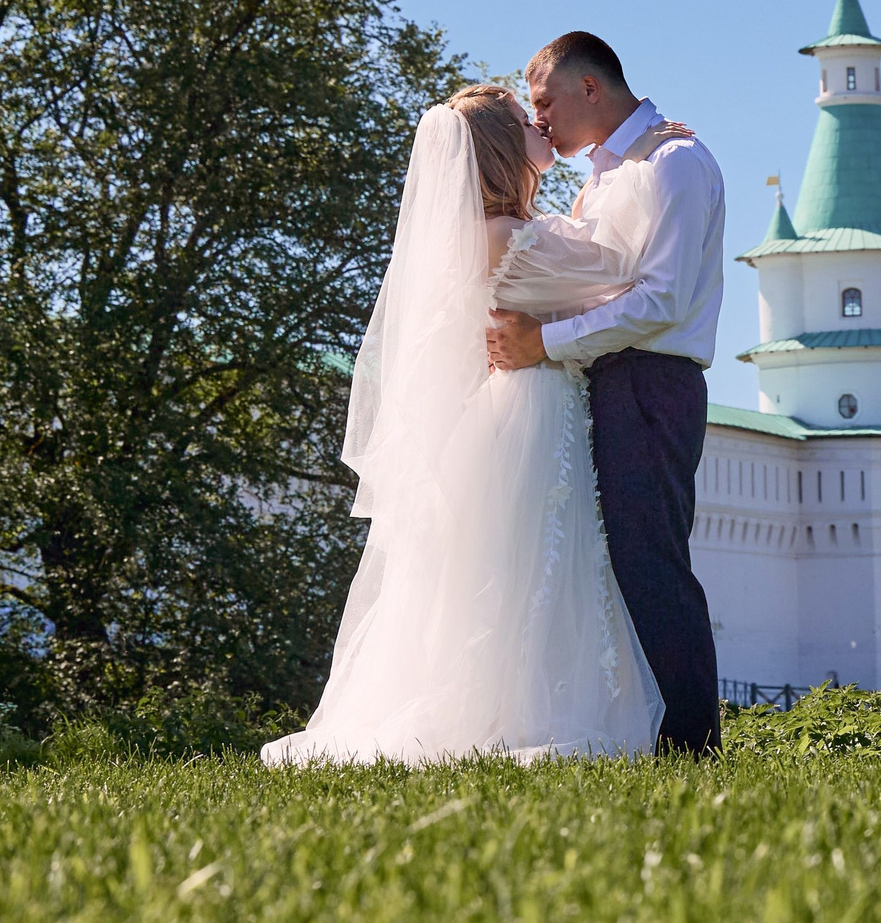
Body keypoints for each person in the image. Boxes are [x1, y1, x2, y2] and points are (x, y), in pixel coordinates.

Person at [263, 84, 666, 764]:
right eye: (523, 120)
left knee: (511, 568)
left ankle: (512, 707)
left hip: (506, 410)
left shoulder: (485, 234)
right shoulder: (507, 238)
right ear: (503, 149)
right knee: (539, 563)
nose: (540, 123)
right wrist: (636, 163)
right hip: (531, 408)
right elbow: (622, 274)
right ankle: (528, 713)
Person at [484, 32, 727, 753]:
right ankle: (634, 731)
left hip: (651, 379)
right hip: (601, 378)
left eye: (545, 102)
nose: (542, 120)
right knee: (609, 562)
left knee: (650, 559)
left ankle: (691, 745)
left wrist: (541, 343)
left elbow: (661, 302)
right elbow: (587, 272)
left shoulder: (674, 163)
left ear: (590, 88)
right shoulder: (608, 174)